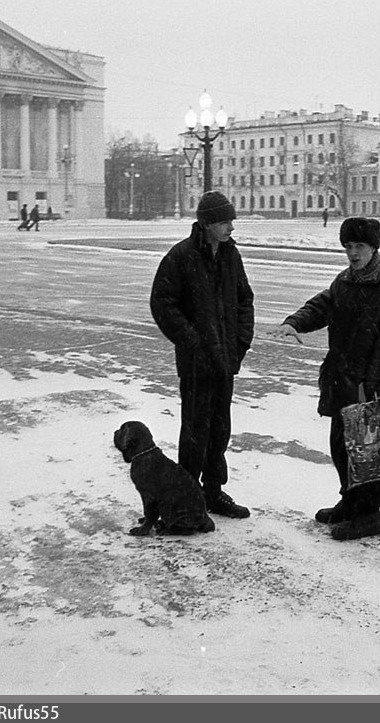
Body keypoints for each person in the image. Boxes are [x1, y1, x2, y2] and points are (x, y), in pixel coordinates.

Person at [269, 216, 380, 541]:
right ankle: (349, 501)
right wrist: (294, 323)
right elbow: (322, 307)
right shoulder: (344, 281)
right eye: (348, 246)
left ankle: (368, 515)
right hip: (341, 378)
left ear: (374, 247)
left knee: (371, 451)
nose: (353, 253)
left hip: (367, 384)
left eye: (359, 246)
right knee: (341, 446)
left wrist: (369, 384)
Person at [150, 191, 255, 520]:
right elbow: (163, 304)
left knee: (220, 427)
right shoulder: (181, 256)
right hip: (197, 362)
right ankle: (187, 494)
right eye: (225, 221)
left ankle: (213, 491)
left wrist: (239, 343)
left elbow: (244, 300)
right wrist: (192, 342)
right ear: (207, 223)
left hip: (225, 359)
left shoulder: (230, 255)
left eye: (231, 221)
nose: (230, 228)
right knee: (196, 430)